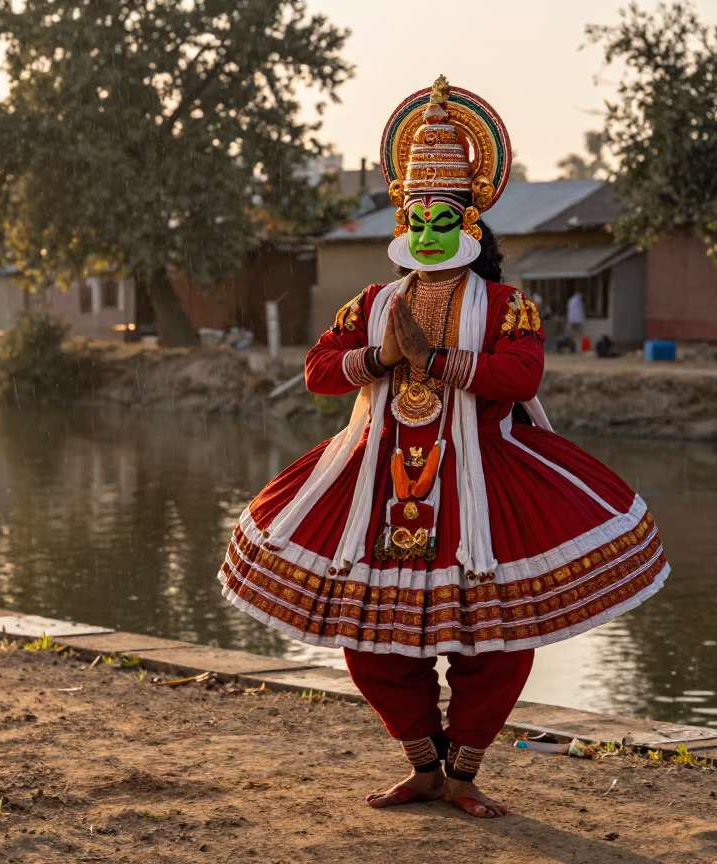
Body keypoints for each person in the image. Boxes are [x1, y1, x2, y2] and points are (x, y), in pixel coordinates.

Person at [218, 76, 668, 819]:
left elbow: (521, 374)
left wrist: (433, 364)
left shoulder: (506, 304)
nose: (426, 233)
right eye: (415, 219)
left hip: (482, 487)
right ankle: (423, 765)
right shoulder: (372, 305)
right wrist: (384, 359)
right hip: (375, 485)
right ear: (401, 221)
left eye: (442, 219)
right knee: (369, 643)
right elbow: (318, 372)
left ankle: (464, 772)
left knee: (495, 640)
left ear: (471, 223)